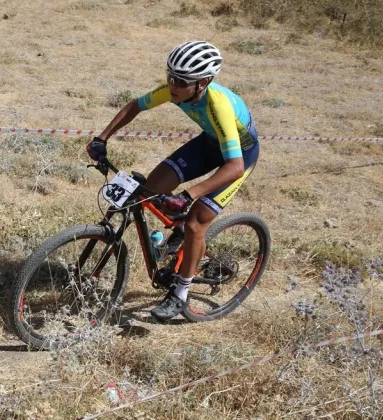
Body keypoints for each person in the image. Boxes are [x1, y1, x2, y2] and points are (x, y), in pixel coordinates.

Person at [86, 40, 260, 321]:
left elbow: (235, 166)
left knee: (195, 221)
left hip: (239, 157)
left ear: (202, 82)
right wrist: (102, 137)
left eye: (180, 80)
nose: (171, 84)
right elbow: (135, 106)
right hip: (209, 143)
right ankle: (176, 238)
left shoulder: (219, 106)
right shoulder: (173, 90)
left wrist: (189, 195)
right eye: (169, 76)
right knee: (147, 192)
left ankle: (180, 293)